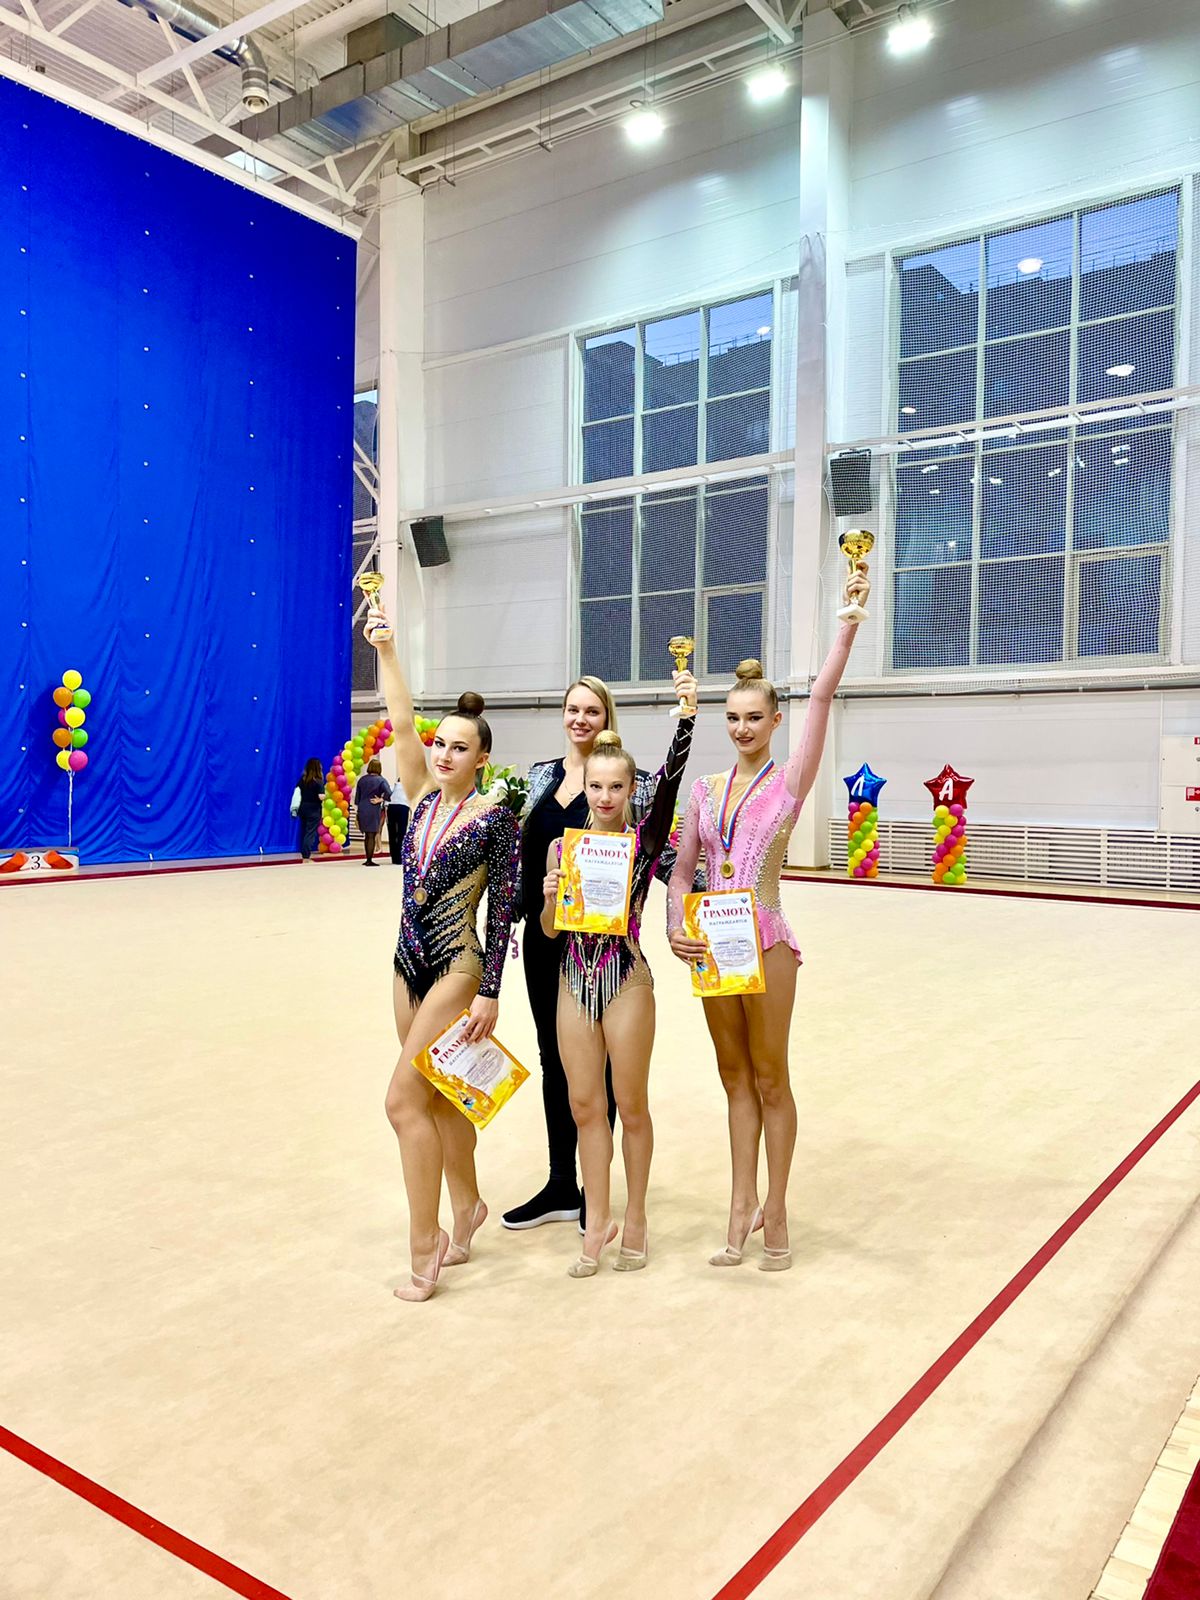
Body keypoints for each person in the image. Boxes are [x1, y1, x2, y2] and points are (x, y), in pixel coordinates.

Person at [667, 568, 870, 1273]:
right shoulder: (703, 789)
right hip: (712, 945)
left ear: (775, 721)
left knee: (770, 1077)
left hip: (766, 939)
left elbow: (823, 696)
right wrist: (675, 923)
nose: (742, 728)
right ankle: (739, 1204)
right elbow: (683, 869)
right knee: (732, 1078)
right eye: (732, 717)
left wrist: (846, 626)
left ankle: (776, 1207)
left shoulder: (788, 781)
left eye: (754, 717)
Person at [366, 603, 520, 1303]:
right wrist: (387, 651)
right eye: (442, 744)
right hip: (407, 964)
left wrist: (490, 990)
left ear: (481, 759)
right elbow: (401, 723)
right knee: (440, 1097)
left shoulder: (497, 819)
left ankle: (423, 1244)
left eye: (460, 748)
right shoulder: (422, 798)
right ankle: (468, 1205)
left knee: (402, 1103)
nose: (444, 753)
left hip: (457, 966)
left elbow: (505, 907)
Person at [502, 678, 690, 1233]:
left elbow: (665, 823)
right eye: (572, 708)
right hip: (550, 943)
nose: (580, 718)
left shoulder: (630, 791)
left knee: (609, 1072)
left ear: (607, 718)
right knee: (555, 1061)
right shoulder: (540, 777)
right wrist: (528, 903)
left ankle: (596, 1194)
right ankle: (562, 1182)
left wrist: (686, 717)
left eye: (592, 710)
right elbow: (519, 851)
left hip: (612, 954)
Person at [354, 758, 392, 866]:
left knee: (367, 835)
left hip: (362, 808)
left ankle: (367, 858)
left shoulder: (362, 780)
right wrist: (381, 799)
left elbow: (357, 798)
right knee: (372, 834)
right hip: (373, 808)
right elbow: (389, 793)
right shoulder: (381, 780)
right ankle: (369, 860)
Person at [295, 758, 324, 861]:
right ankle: (306, 854)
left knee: (304, 831)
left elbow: (297, 791)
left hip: (303, 807)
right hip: (314, 809)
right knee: (310, 832)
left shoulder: (303, 779)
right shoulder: (318, 781)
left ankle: (303, 851)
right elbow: (321, 797)